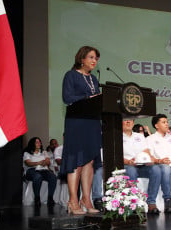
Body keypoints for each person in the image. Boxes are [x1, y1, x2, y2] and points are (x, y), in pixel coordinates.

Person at [60, 46, 101, 214]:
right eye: (91, 57)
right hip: (76, 122)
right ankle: (73, 200)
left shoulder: (94, 79)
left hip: (92, 123)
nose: (94, 61)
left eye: (96, 58)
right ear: (81, 58)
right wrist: (87, 98)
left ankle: (87, 199)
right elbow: (67, 98)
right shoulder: (71, 75)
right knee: (76, 160)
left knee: (89, 161)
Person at [122, 119, 161, 214]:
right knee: (131, 171)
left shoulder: (139, 136)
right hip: (126, 165)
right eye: (125, 120)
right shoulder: (116, 136)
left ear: (133, 123)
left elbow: (146, 150)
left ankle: (151, 202)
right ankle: (134, 203)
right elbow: (114, 155)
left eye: (130, 120)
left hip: (142, 165)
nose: (128, 122)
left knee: (156, 169)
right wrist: (128, 161)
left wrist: (147, 159)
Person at [23, 137, 57, 208]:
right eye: (37, 142)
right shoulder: (27, 153)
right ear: (33, 143)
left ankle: (50, 198)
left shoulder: (44, 152)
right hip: (32, 170)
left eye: (39, 142)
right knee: (37, 177)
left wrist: (43, 163)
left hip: (43, 170)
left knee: (53, 177)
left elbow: (48, 161)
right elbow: (28, 163)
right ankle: (37, 198)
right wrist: (39, 162)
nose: (39, 143)